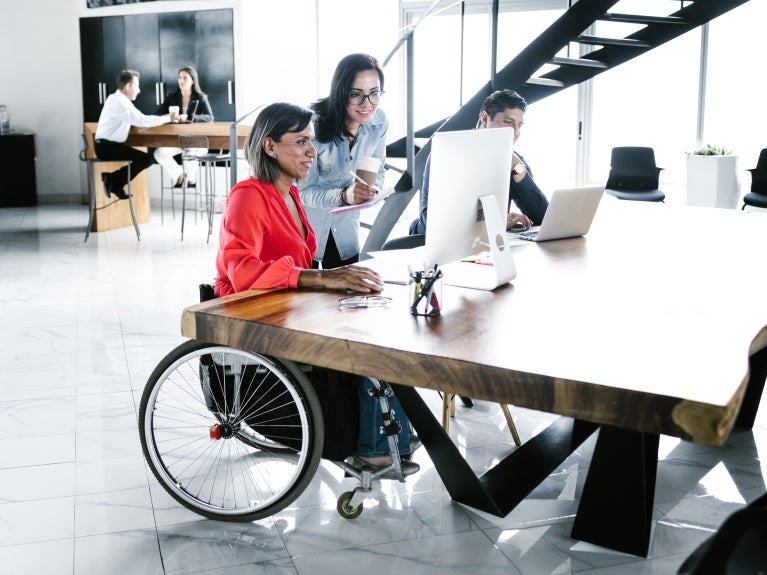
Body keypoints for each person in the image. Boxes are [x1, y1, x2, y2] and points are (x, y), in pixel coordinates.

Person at [214, 102, 418, 477]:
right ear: (270, 147)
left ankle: (393, 431)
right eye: (302, 142)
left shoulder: (290, 193)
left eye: (313, 141)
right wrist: (322, 279)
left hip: (288, 305)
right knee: (365, 340)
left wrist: (340, 278)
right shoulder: (248, 196)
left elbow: (301, 262)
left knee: (381, 317)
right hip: (257, 314)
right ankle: (375, 447)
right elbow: (241, 271)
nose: (313, 151)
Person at [413, 89, 549, 234]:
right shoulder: (447, 153)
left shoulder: (514, 161)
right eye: (508, 122)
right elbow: (431, 221)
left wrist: (517, 167)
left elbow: (543, 218)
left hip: (487, 246)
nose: (515, 132)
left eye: (519, 125)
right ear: (485, 118)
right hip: (436, 245)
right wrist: (495, 221)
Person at [298, 53, 388, 269]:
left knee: (345, 298)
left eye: (374, 93)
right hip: (307, 232)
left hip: (346, 233)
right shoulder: (312, 126)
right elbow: (302, 193)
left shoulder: (379, 122)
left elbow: (378, 172)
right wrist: (343, 196)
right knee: (307, 302)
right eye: (356, 94)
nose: (367, 104)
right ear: (341, 93)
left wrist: (371, 189)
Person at [95, 69, 171, 199]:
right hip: (107, 147)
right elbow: (143, 120)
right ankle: (112, 180)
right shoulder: (121, 102)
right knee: (147, 159)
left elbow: (136, 120)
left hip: (105, 146)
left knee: (145, 159)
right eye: (137, 86)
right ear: (128, 86)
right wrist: (168, 118)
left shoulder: (116, 98)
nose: (139, 90)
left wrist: (136, 125)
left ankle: (114, 182)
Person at [154, 66, 214, 188]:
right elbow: (157, 114)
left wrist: (189, 117)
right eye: (180, 78)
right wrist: (169, 116)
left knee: (189, 154)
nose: (181, 81)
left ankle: (191, 180)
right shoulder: (172, 97)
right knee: (159, 153)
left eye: (185, 78)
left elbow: (210, 118)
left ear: (192, 80)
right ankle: (179, 175)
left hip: (197, 140)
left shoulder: (201, 97)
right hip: (179, 140)